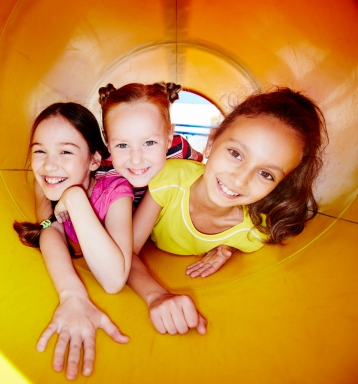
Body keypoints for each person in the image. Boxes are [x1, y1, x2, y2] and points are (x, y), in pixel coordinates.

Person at [129, 87, 328, 334]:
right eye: (235, 153)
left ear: (280, 184)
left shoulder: (254, 233)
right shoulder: (171, 178)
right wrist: (156, 295)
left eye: (266, 173)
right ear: (211, 142)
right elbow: (127, 254)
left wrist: (227, 246)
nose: (240, 179)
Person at [13, 102, 134, 380]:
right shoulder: (45, 182)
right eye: (39, 151)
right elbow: (50, 229)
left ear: (94, 160)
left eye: (65, 151)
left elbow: (114, 280)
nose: (49, 164)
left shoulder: (116, 191)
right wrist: (72, 295)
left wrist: (75, 198)